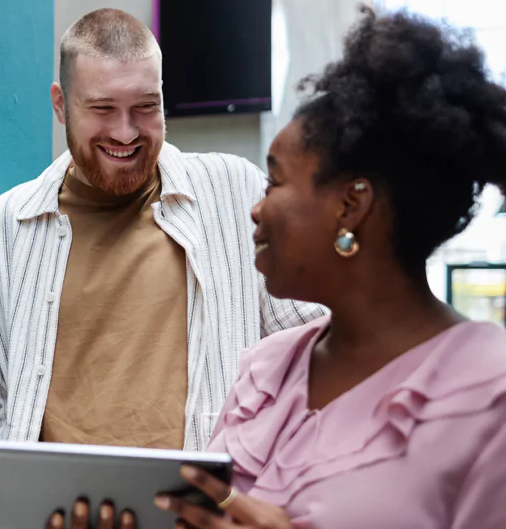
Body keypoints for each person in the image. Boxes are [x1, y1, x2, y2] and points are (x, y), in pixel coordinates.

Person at [102, 7, 506, 529]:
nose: (256, 207)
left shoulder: (488, 394)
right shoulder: (266, 371)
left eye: (275, 183)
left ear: (351, 204)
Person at [0, 8, 325, 453]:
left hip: (204, 510)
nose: (125, 133)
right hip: (57, 513)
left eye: (145, 107)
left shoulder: (236, 191)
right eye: (102, 109)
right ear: (60, 105)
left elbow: (314, 346)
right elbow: (4, 399)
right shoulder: (6, 224)